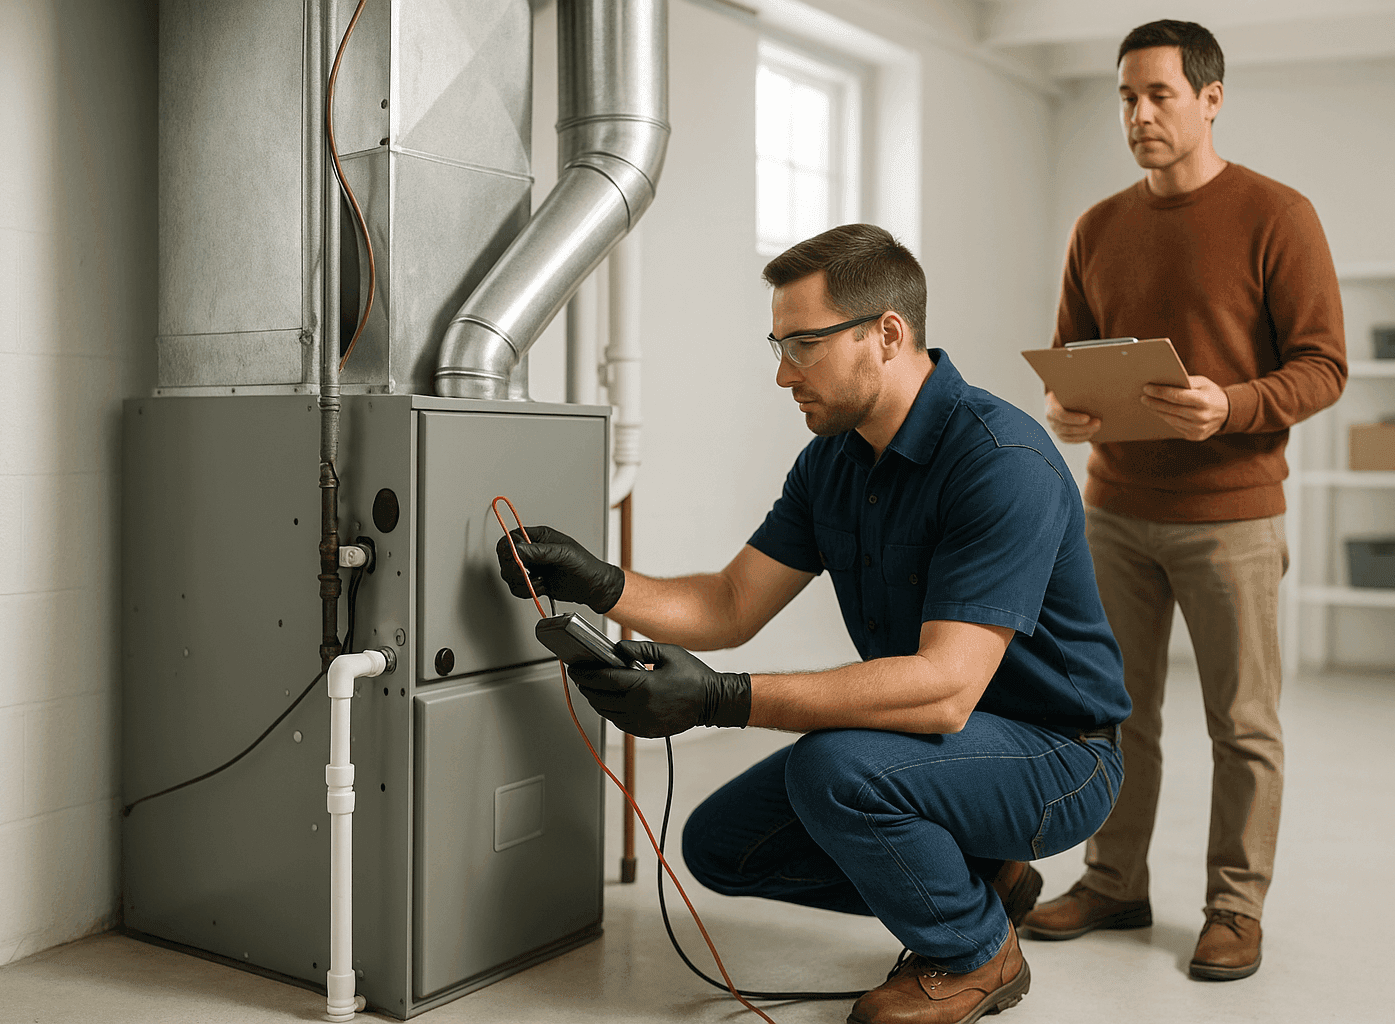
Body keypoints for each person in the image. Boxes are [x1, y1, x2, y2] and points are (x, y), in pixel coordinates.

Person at [496, 223, 1130, 1024]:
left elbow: (944, 691)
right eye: (777, 344)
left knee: (836, 769)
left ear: (887, 335)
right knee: (722, 845)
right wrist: (602, 584)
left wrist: (720, 699)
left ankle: (975, 951)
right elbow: (730, 604)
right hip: (946, 747)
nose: (781, 374)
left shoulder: (1000, 461)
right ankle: (987, 876)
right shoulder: (834, 460)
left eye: (803, 345)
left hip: (1058, 755)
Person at [1024, 20, 1347, 982]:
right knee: (1111, 712)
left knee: (1242, 723)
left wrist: (1233, 405)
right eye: (1126, 96)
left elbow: (1325, 367)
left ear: (1210, 98)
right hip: (1113, 512)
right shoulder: (1097, 226)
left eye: (1160, 94)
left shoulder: (1278, 215)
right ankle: (1114, 880)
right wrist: (1063, 411)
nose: (1139, 114)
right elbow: (1070, 362)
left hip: (1235, 516)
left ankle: (1234, 908)